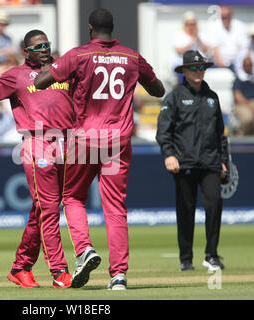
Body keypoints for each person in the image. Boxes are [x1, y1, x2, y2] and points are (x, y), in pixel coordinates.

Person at [34, 8, 165, 290]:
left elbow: (39, 82)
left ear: (91, 29)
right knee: (115, 208)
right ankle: (118, 276)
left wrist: (63, 74)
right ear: (113, 28)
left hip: (85, 140)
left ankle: (84, 250)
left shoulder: (78, 55)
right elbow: (158, 91)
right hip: (118, 142)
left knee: (71, 197)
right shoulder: (131, 57)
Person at [0, 29, 75, 288]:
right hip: (38, 143)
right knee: (48, 209)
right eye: (37, 47)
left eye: (46, 45)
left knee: (42, 209)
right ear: (26, 52)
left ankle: (21, 266)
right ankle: (59, 271)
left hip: (67, 145)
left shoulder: (62, 72)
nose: (44, 50)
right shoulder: (17, 75)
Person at [156, 50, 229, 272]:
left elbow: (220, 134)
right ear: (185, 70)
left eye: (201, 68)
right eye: (194, 68)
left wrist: (224, 160)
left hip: (210, 162)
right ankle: (186, 259)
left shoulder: (212, 97)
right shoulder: (175, 96)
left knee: (214, 204)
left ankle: (212, 255)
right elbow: (163, 130)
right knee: (186, 210)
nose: (198, 72)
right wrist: (169, 154)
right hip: (184, 163)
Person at [172, 11, 209, 83]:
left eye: (193, 24)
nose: (191, 27)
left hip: (199, 64)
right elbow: (179, 51)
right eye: (189, 24)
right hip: (183, 64)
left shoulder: (201, 35)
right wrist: (191, 42)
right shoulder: (179, 35)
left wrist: (198, 39)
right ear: (185, 24)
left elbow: (206, 50)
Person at [208, 5, 248, 71]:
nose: (225, 18)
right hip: (220, 65)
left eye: (228, 16)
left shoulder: (240, 26)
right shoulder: (214, 26)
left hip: (239, 64)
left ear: (231, 15)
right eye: (223, 17)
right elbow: (214, 50)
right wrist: (223, 66)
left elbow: (245, 48)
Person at [232, 56, 254, 135]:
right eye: (247, 65)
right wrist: (249, 106)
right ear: (243, 65)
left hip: (252, 103)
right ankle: (244, 136)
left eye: (250, 65)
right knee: (248, 118)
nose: (249, 67)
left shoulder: (252, 78)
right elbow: (237, 96)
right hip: (242, 104)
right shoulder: (239, 79)